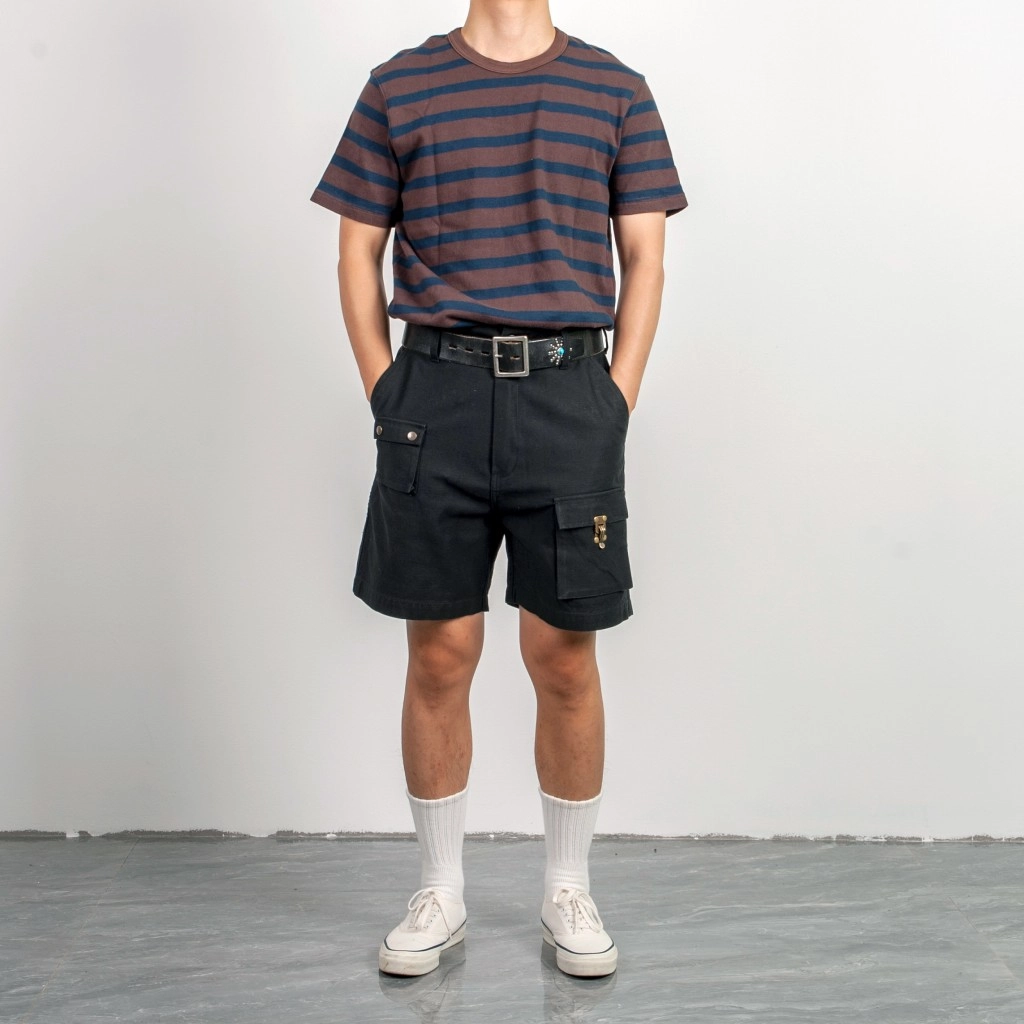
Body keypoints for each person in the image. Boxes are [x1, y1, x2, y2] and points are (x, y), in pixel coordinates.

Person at [309, 0, 687, 980]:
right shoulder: (399, 85)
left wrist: (615, 398)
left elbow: (645, 255)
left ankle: (568, 887)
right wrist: (387, 387)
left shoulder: (615, 90)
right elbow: (356, 248)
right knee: (440, 652)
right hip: (434, 392)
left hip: (569, 393)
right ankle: (439, 888)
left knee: (563, 653)